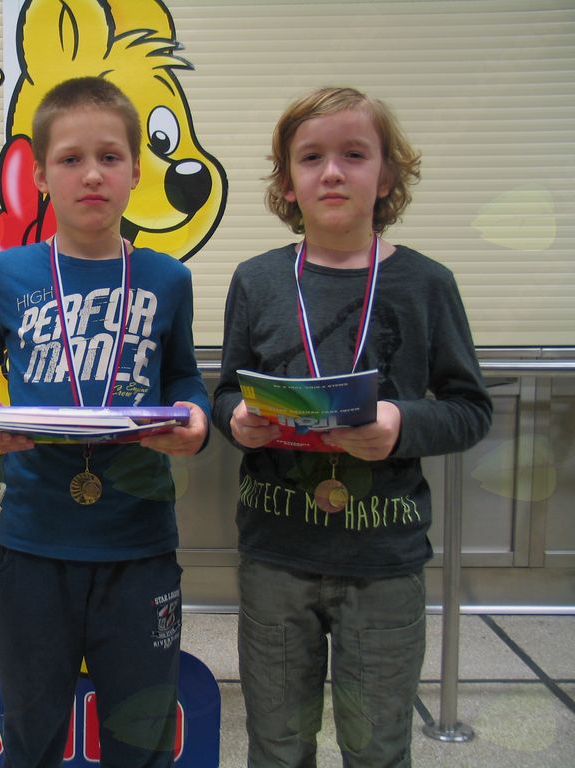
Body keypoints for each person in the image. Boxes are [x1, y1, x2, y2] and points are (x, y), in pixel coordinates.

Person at [212, 86, 492, 767]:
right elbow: (225, 394)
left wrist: (401, 422)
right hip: (276, 553)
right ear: (287, 182)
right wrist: (237, 421)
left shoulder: (427, 284)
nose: (332, 172)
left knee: (377, 747)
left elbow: (470, 408)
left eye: (354, 155)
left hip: (384, 558)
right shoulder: (257, 281)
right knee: (277, 745)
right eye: (311, 157)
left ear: (387, 175)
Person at [0, 76, 210, 767]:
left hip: (138, 542)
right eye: (70, 159)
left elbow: (183, 376)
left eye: (109, 157)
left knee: (141, 738)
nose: (91, 174)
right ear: (40, 175)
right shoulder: (6, 275)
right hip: (33, 541)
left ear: (135, 171)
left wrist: (196, 415)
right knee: (32, 735)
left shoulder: (167, 279)